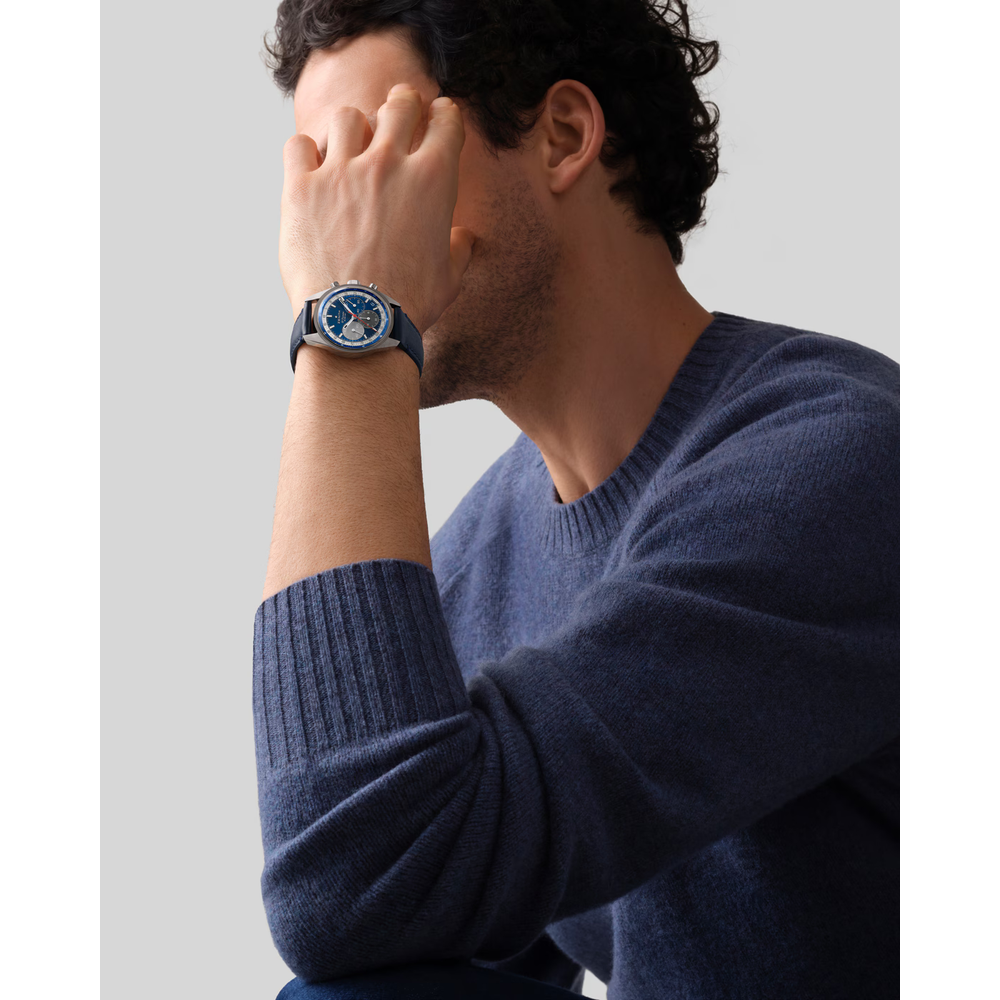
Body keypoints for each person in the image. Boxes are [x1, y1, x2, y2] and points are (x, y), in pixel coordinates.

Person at [254, 1, 899, 997]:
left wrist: (351, 324)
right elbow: (373, 919)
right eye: (324, 178)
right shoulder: (470, 569)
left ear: (561, 136)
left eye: (383, 152)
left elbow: (356, 876)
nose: (338, 225)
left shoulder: (840, 463)